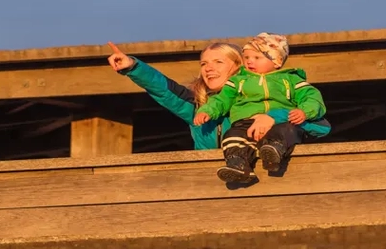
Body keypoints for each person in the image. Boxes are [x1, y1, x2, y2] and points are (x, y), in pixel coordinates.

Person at [106, 40, 327, 151]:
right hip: (212, 186)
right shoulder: (198, 106)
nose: (208, 68)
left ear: (241, 67)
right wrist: (132, 66)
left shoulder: (268, 99)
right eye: (204, 63)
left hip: (268, 185)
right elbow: (164, 89)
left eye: (218, 62)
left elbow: (321, 125)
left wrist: (274, 117)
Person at [194, 32, 331, 184]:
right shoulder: (238, 81)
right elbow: (221, 99)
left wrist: (304, 111)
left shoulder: (291, 80)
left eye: (257, 58)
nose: (250, 62)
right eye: (246, 58)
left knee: (287, 130)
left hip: (280, 123)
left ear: (277, 61)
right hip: (245, 122)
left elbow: (311, 97)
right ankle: (238, 164)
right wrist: (206, 110)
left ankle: (273, 149)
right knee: (232, 135)